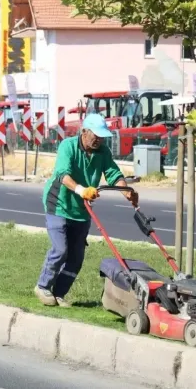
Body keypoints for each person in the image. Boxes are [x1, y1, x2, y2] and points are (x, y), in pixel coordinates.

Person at [35, 113, 139, 307]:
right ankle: (43, 286)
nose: (99, 139)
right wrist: (82, 190)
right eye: (95, 135)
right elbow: (62, 174)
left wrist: (126, 191)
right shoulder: (68, 146)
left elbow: (113, 174)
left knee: (76, 257)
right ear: (84, 132)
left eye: (102, 136)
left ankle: (58, 293)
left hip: (81, 210)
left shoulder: (103, 152)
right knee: (60, 249)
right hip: (58, 203)